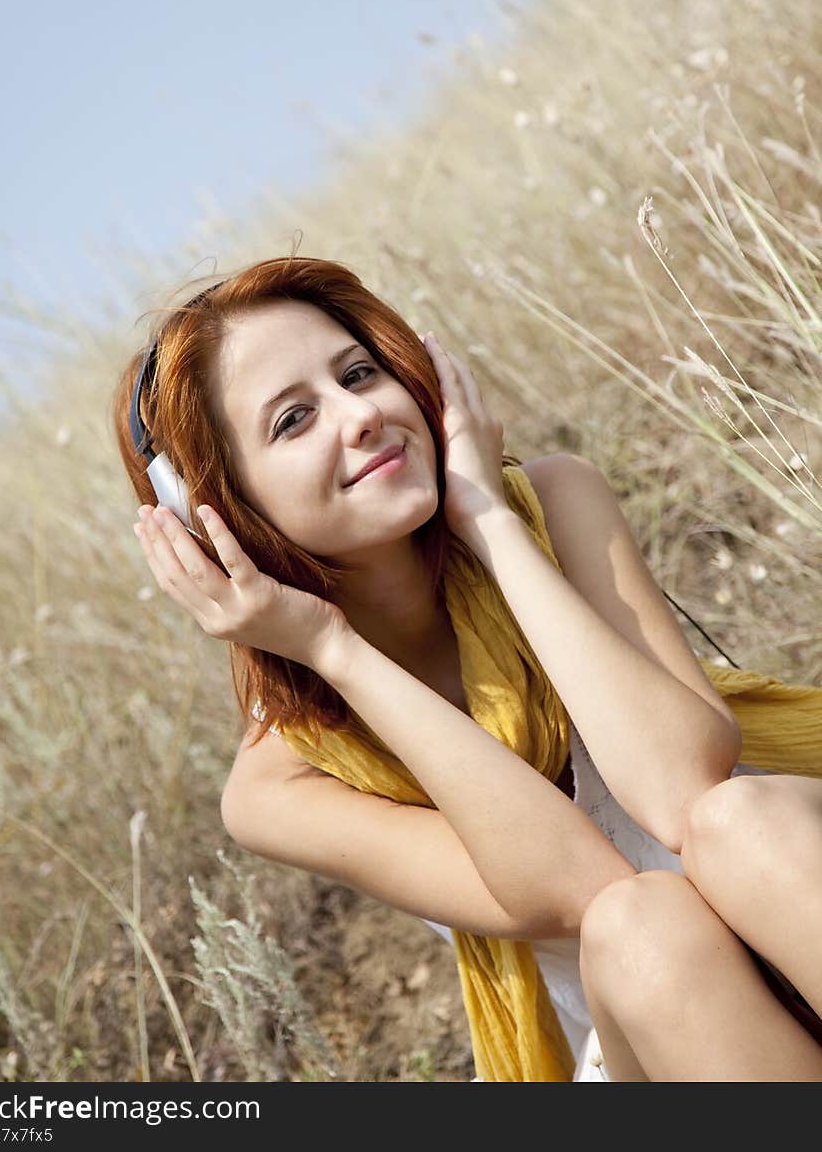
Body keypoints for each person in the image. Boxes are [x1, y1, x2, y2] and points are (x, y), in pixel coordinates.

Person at [112, 253, 822, 1081]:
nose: (361, 415)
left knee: (740, 821)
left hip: (789, 898)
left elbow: (683, 787)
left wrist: (488, 520)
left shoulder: (553, 502)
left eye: (359, 374)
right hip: (659, 1029)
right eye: (293, 420)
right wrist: (332, 651)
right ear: (214, 512)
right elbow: (578, 886)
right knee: (641, 923)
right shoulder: (276, 790)